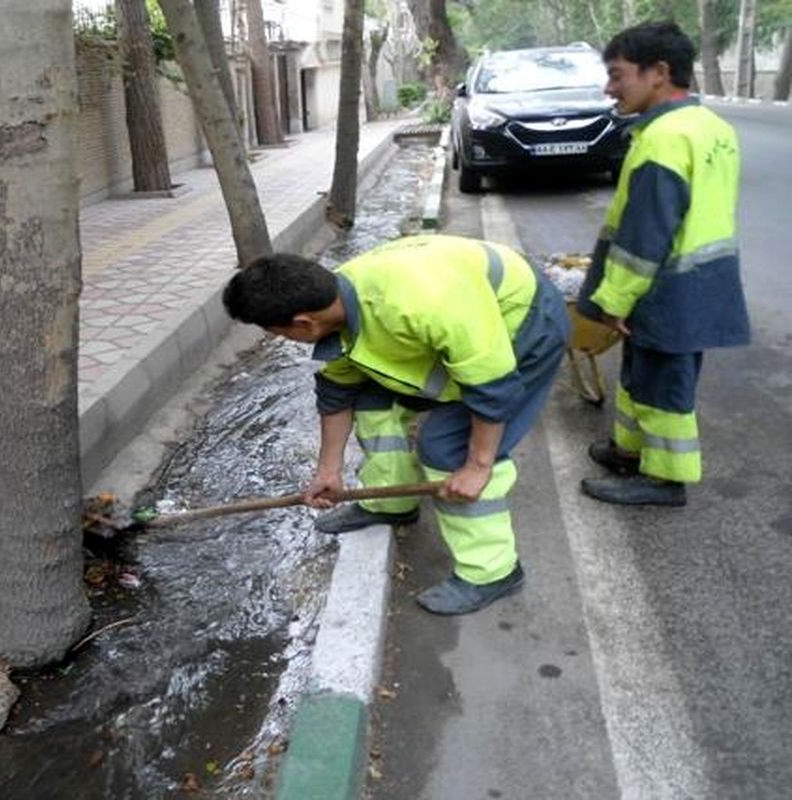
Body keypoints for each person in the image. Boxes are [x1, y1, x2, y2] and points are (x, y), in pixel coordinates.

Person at [223, 235, 571, 615]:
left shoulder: (425, 303)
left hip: (524, 322)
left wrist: (477, 465)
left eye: (279, 334)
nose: (285, 341)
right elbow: (338, 391)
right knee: (374, 402)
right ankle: (391, 503)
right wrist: (328, 470)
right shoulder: (338, 298)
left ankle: (492, 572)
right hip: (464, 329)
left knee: (447, 449)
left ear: (303, 323)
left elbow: (493, 388)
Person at [577, 21, 749, 506]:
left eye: (617, 75)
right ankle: (631, 451)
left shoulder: (664, 139)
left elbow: (644, 237)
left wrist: (613, 301)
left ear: (659, 73)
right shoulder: (711, 127)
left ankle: (665, 478)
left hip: (665, 287)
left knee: (664, 384)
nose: (610, 88)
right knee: (643, 373)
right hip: (702, 280)